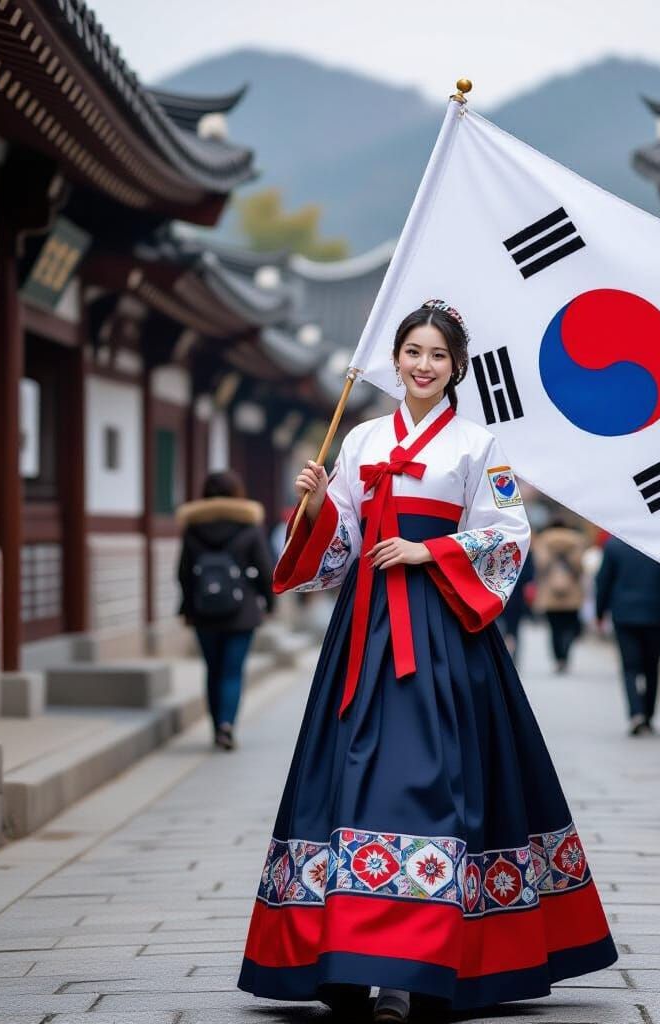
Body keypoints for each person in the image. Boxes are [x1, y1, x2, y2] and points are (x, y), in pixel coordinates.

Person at [238, 301, 617, 1022]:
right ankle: (344, 965)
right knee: (348, 774)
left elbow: (508, 536)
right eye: (412, 351)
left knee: (441, 777)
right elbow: (339, 548)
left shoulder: (479, 446)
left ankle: (415, 969)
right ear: (395, 359)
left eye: (437, 355)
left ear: (455, 366)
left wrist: (429, 550)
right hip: (365, 630)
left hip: (443, 629)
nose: (422, 364)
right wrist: (318, 507)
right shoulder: (360, 439)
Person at [177, 470, 274, 750]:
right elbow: (266, 569)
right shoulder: (249, 525)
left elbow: (183, 573)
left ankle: (214, 726)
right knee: (233, 671)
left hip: (203, 610)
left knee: (213, 669)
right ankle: (227, 727)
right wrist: (268, 602)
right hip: (241, 610)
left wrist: (187, 606)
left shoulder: (192, 528)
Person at [595, 536, 660, 735]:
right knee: (652, 667)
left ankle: (635, 713)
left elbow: (604, 579)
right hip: (656, 613)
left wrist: (599, 612)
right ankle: (648, 715)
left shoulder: (614, 545)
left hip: (624, 613)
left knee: (629, 667)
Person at [532, 518, 588, 673]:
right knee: (569, 627)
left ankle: (558, 659)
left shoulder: (543, 540)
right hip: (573, 592)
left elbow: (540, 565)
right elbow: (580, 567)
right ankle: (566, 654)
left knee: (554, 628)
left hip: (550, 592)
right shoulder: (577, 540)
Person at [497, 549, 534, 659]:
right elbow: (529, 575)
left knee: (500, 628)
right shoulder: (525, 549)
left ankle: (502, 655)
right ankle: (512, 656)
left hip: (499, 595)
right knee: (514, 629)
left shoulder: (497, 547)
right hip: (516, 596)